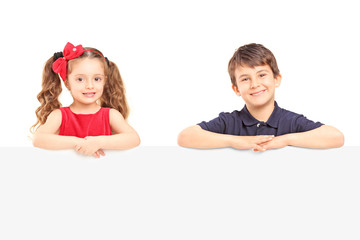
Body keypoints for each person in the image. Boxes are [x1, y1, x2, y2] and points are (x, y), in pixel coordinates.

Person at [178, 43, 344, 151]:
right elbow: (185, 136)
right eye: (245, 79)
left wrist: (285, 140)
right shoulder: (230, 122)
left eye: (262, 75)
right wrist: (235, 141)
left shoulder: (291, 121)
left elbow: (336, 137)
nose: (255, 84)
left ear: (276, 79)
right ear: (236, 89)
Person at [32, 42, 140, 157]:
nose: (89, 85)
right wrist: (79, 142)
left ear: (105, 81)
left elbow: (134, 138)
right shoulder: (59, 115)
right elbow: (38, 139)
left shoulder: (110, 115)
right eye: (80, 79)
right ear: (67, 83)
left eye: (97, 79)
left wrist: (98, 142)